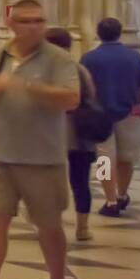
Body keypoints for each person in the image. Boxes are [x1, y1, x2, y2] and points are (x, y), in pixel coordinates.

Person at [0, 0, 79, 279]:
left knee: (49, 227)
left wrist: (26, 85)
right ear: (11, 24)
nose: (34, 26)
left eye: (39, 20)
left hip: (43, 159)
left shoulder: (58, 59)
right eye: (26, 21)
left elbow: (71, 99)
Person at [80, 17, 140, 217]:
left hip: (100, 115)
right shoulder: (135, 57)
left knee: (105, 159)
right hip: (130, 113)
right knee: (126, 158)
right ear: (120, 33)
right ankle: (122, 194)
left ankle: (110, 200)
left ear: (98, 33)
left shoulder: (89, 58)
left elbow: (85, 88)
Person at [45, 27, 101, 241]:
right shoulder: (80, 68)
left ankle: (54, 225)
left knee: (54, 182)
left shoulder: (60, 69)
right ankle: (82, 226)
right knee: (80, 182)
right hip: (78, 136)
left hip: (64, 134)